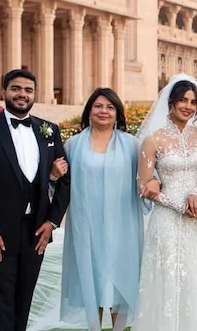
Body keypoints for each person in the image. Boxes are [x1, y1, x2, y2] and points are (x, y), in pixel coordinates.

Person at [0, 68, 71, 331]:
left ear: (34, 95)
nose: (22, 94)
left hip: (35, 234)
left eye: (28, 90)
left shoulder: (49, 130)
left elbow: (65, 180)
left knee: (22, 306)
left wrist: (52, 222)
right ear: (3, 92)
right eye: (16, 89)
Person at [130, 74, 197, 331]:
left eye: (193, 102)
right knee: (166, 279)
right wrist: (178, 205)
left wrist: (196, 196)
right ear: (171, 102)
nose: (188, 106)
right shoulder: (153, 140)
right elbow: (143, 185)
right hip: (166, 219)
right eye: (183, 100)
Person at [60, 88, 143, 331]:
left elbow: (146, 181)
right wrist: (55, 176)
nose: (103, 111)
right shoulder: (73, 145)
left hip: (122, 226)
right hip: (87, 225)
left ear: (118, 113)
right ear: (89, 111)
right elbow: (62, 186)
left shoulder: (132, 145)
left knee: (119, 282)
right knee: (92, 280)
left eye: (110, 107)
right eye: (98, 106)